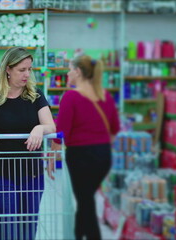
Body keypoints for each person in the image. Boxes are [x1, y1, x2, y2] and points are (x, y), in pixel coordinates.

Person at [0, 47, 56, 240]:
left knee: (28, 229)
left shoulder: (36, 96)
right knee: (8, 229)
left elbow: (51, 126)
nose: (27, 74)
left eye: (29, 69)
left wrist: (39, 129)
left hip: (32, 174)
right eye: (22, 70)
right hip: (1, 174)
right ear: (8, 69)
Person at [50, 55, 120, 240]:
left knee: (85, 201)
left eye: (70, 69)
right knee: (86, 199)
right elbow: (114, 129)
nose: (67, 72)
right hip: (103, 156)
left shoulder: (71, 96)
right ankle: (78, 235)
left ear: (78, 72)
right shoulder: (105, 96)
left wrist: (50, 159)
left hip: (80, 156)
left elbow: (61, 132)